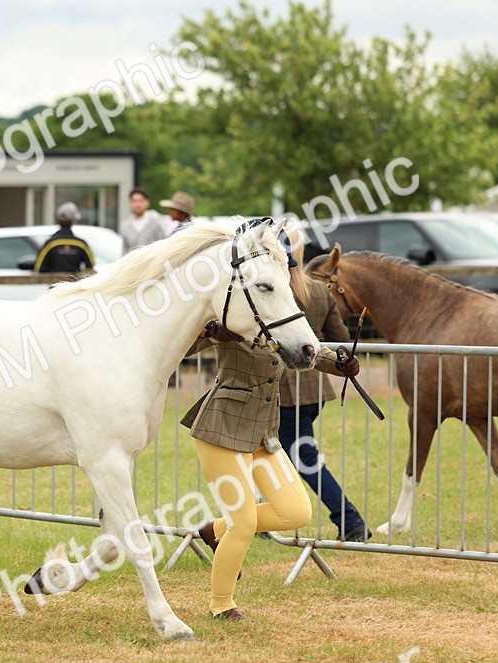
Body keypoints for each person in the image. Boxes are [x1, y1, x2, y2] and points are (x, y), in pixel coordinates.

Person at [183, 240, 360, 621]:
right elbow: (184, 345)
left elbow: (307, 347)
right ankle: (221, 604)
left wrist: (340, 363)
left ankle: (214, 530)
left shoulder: (276, 314)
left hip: (263, 434)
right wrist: (211, 332)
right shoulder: (233, 312)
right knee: (244, 522)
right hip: (222, 430)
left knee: (294, 511)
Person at [276, 242, 370, 543]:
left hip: (285, 390)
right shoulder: (319, 291)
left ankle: (349, 519)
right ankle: (265, 517)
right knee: (276, 454)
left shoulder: (275, 291)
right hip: (314, 388)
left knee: (302, 456)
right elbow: (340, 338)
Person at [33, 202, 94, 274]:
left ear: (58, 221)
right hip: (75, 284)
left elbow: (39, 268)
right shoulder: (81, 244)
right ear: (73, 221)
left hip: (54, 284)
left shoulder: (50, 244)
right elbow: (90, 268)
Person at [120, 187, 167, 252]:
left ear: (148, 202)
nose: (138, 204)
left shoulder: (156, 221)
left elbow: (164, 244)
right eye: (134, 201)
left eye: (141, 201)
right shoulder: (125, 226)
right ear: (130, 203)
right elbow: (124, 251)